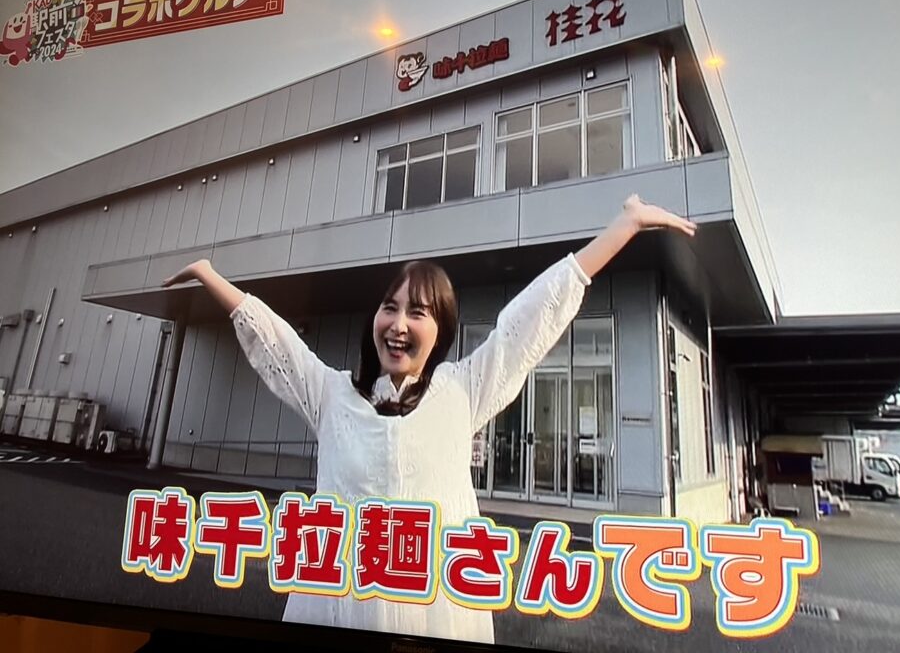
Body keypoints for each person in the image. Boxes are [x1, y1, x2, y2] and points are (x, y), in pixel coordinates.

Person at [161, 194, 696, 644]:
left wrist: (625, 226)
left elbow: (533, 316)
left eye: (417, 312)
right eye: (389, 307)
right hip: (338, 606)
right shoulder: (332, 393)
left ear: (440, 330)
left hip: (439, 614)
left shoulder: (462, 388)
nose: (398, 324)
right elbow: (275, 340)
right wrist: (210, 274)